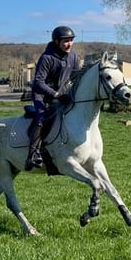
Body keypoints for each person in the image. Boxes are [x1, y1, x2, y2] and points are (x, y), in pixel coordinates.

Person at [25, 25, 80, 170]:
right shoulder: (46, 58)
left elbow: (76, 76)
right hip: (42, 95)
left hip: (61, 95)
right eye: (65, 41)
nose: (69, 44)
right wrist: (56, 95)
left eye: (71, 40)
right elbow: (38, 82)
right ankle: (32, 154)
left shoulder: (73, 56)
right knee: (41, 119)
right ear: (56, 42)